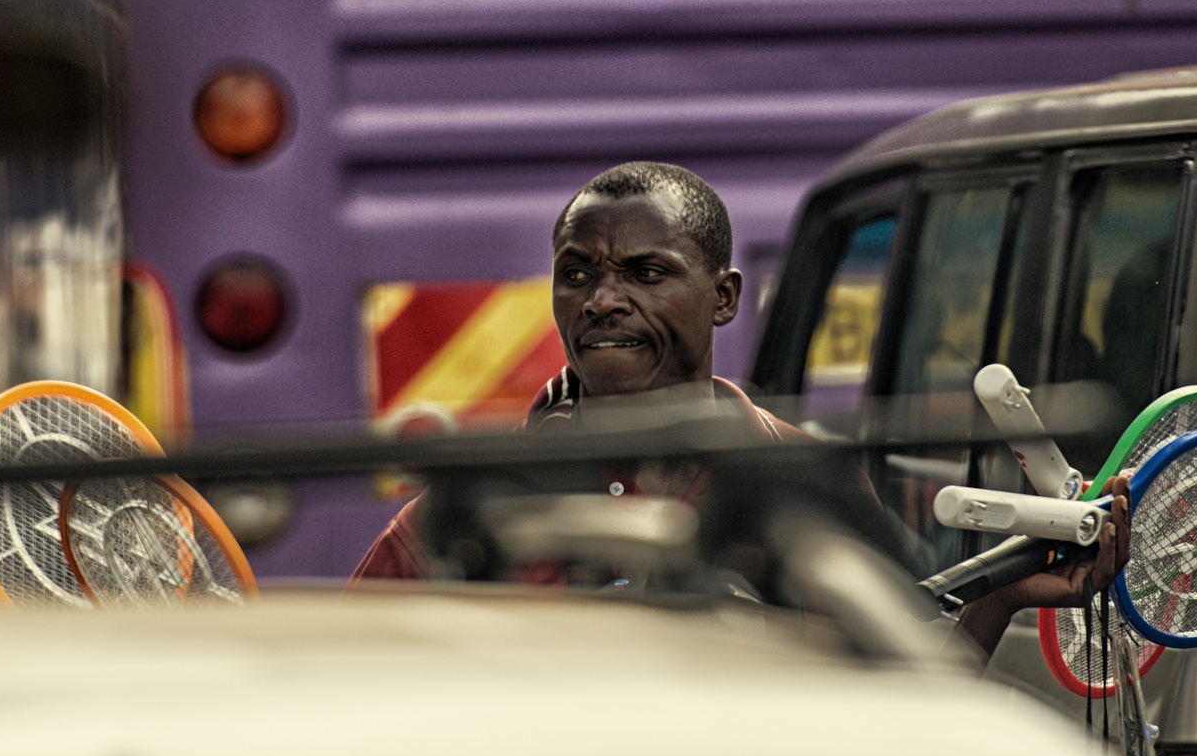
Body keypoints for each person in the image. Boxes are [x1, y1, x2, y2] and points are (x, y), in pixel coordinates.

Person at [351, 161, 1130, 659]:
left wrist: (1001, 593)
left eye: (646, 273)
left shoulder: (800, 484)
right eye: (577, 274)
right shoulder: (450, 527)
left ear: (723, 298)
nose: (603, 301)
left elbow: (895, 721)